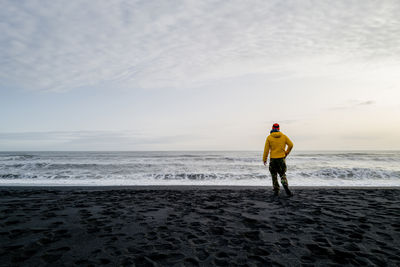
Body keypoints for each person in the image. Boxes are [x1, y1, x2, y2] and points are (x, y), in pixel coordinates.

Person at [263, 123, 294, 196]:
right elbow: (291, 145)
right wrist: (286, 153)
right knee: (282, 174)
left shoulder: (269, 137)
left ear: (272, 128)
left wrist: (264, 159)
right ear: (279, 128)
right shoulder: (283, 136)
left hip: (273, 159)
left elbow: (266, 150)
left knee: (274, 175)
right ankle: (285, 185)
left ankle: (276, 190)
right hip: (281, 159)